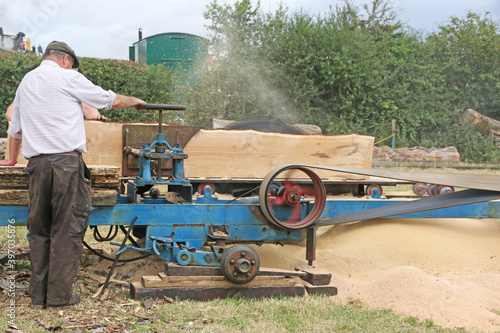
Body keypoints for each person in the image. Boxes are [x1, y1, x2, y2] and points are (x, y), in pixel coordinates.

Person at [0, 41, 145, 310]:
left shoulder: (26, 82)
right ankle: (58, 299)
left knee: (40, 231)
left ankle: (38, 297)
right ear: (65, 59)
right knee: (66, 231)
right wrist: (135, 101)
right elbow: (108, 100)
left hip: (36, 167)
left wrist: (10, 159)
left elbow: (15, 130)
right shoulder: (67, 76)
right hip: (66, 165)